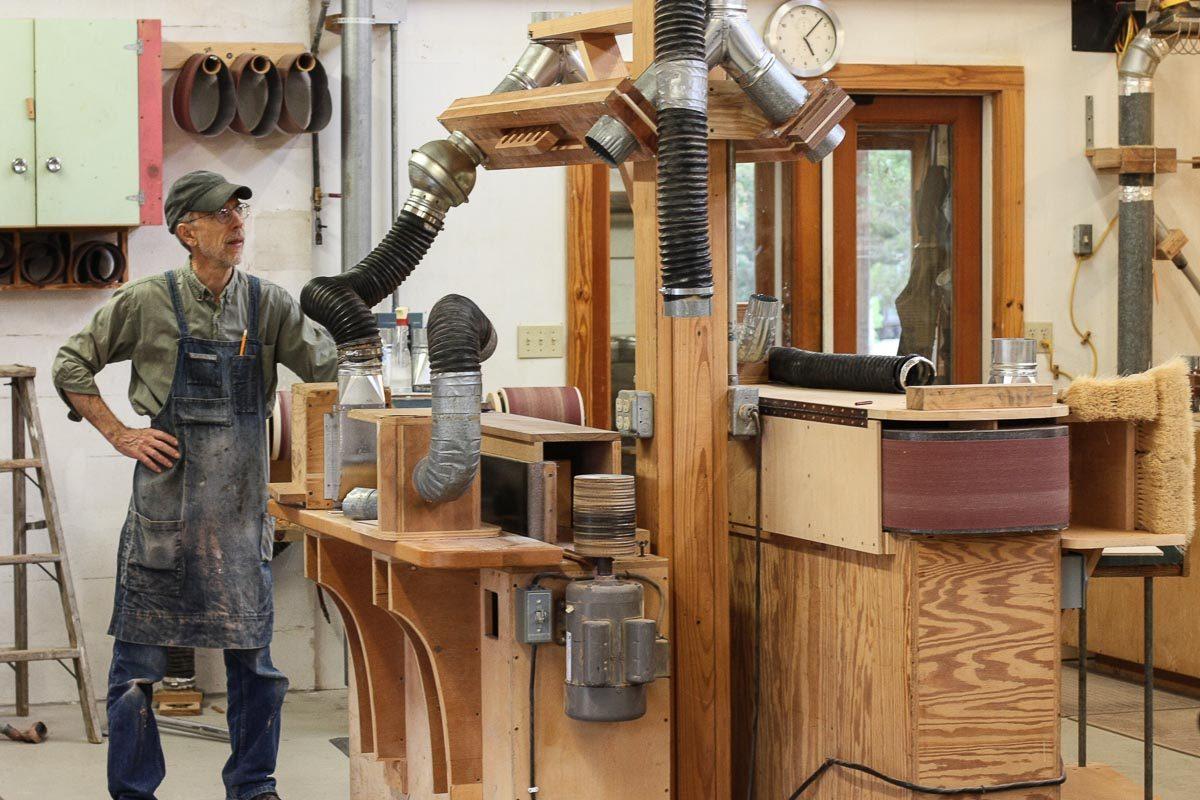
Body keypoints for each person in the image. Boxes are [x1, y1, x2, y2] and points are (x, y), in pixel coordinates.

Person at [52, 170, 337, 800]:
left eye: (240, 209)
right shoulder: (147, 300)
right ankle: (132, 793)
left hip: (238, 525)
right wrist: (120, 433)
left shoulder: (267, 304)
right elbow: (70, 361)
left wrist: (381, 349)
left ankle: (254, 788)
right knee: (136, 674)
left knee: (257, 672)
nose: (237, 222)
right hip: (166, 522)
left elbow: (328, 367)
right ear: (187, 230)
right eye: (220, 213)